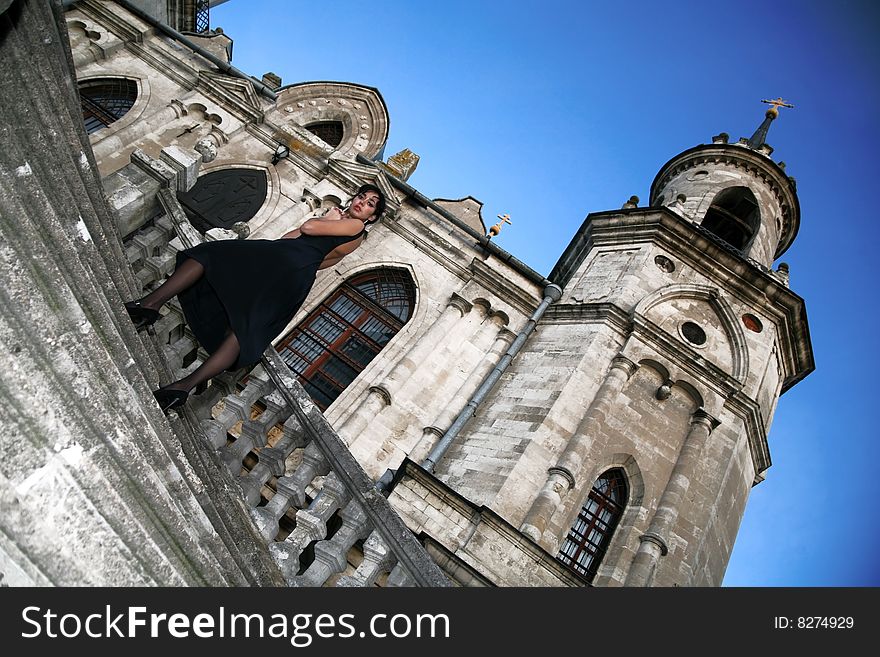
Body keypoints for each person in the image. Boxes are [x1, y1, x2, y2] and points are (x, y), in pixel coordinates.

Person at [125, 183, 386, 412]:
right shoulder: (351, 236)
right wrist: (325, 224)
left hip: (283, 261)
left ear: (372, 217)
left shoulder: (354, 226)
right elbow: (295, 239)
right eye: (361, 196)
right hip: (294, 271)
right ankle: (183, 387)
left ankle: (150, 305)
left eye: (370, 203)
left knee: (210, 256)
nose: (362, 202)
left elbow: (307, 226)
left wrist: (327, 218)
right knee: (244, 329)